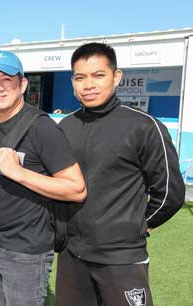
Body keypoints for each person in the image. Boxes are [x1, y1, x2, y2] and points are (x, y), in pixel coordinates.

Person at [56, 42, 185, 306]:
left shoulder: (144, 126)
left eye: (98, 75)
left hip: (121, 258)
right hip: (72, 257)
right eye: (80, 77)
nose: (89, 84)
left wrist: (136, 225)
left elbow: (170, 194)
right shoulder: (65, 127)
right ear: (73, 82)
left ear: (116, 76)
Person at [0, 50, 87, 306]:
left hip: (26, 253)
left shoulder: (41, 127)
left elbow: (76, 188)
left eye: (6, 80)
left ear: (22, 84)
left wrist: (19, 172)